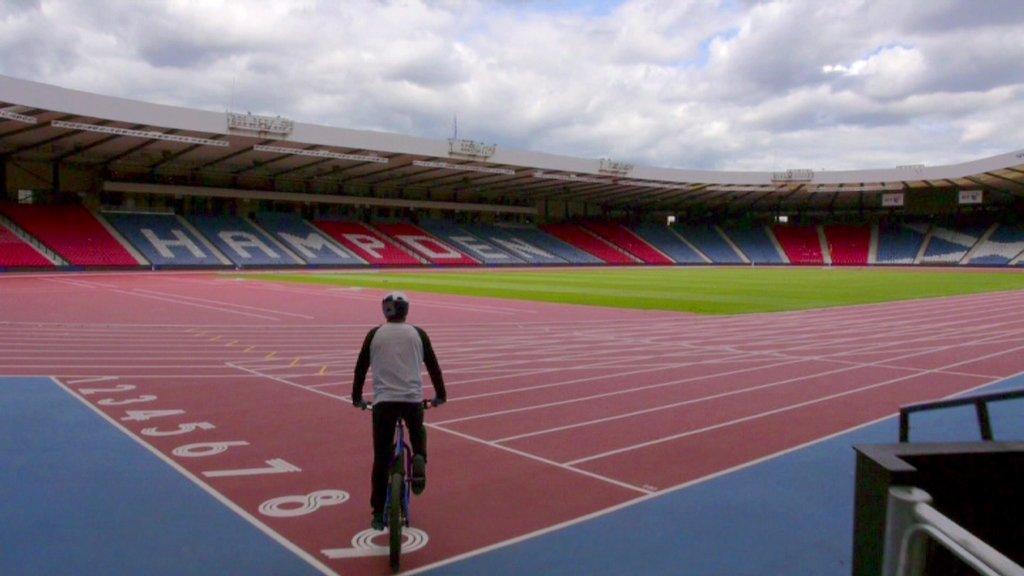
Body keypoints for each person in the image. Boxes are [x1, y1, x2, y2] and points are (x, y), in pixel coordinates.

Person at [352, 292, 447, 531]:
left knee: (381, 459)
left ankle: (377, 514)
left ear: (385, 311)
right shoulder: (418, 334)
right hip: (412, 401)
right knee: (418, 431)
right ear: (406, 311)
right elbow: (434, 367)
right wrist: (440, 396)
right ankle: (419, 459)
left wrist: (357, 398)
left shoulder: (374, 335)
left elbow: (361, 368)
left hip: (384, 403)